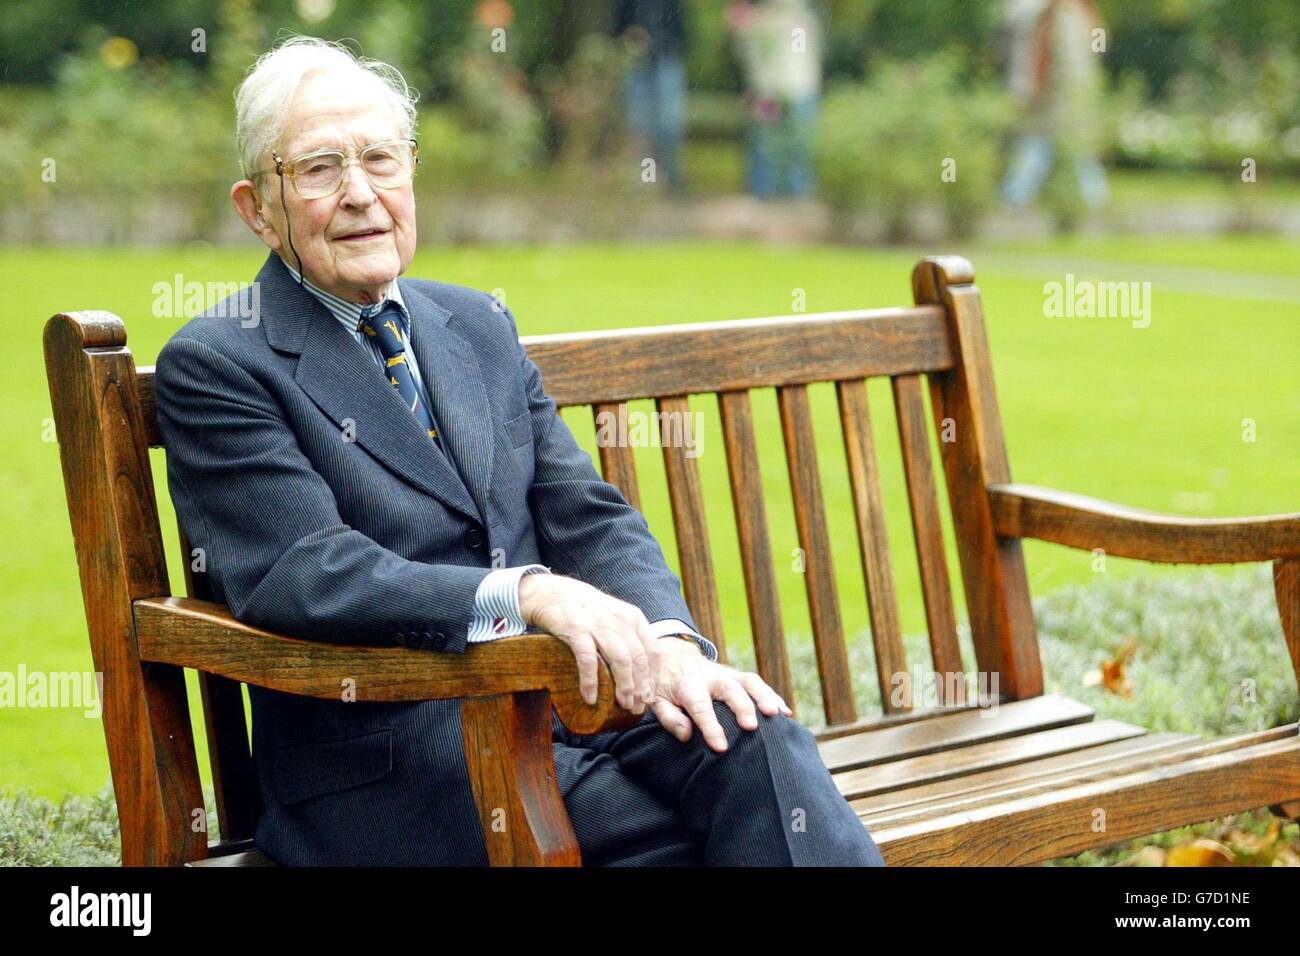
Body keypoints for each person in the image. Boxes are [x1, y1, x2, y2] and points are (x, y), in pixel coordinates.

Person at [153, 35, 887, 867]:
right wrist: (525, 594)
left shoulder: (474, 324)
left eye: (380, 159)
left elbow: (588, 514)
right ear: (258, 207)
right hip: (399, 765)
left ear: (411, 172)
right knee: (673, 843)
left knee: (762, 742)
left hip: (568, 711)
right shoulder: (221, 360)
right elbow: (306, 572)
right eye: (320, 169)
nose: (361, 194)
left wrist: (675, 648)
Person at [999, 0, 1108, 209]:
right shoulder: (1048, 10)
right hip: (1056, 96)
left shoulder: (1070, 11)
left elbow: (1100, 43)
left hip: (1064, 96)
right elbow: (1042, 50)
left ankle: (1015, 198)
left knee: (1045, 147)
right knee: (1049, 147)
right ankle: (1094, 201)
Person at [727, 0, 826, 199]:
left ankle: (794, 193)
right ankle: (765, 193)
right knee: (766, 145)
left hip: (797, 90)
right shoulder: (760, 23)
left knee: (797, 146)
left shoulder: (801, 20)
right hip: (770, 92)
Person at [615, 0, 689, 192]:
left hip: (667, 57)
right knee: (641, 126)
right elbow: (619, 25)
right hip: (639, 62)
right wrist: (630, 36)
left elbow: (683, 26)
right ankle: (648, 180)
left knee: (669, 124)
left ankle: (670, 178)